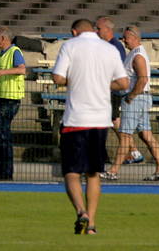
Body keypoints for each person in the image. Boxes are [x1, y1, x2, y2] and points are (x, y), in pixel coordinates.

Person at [52, 19, 128, 235]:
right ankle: (92, 225)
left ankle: (80, 211)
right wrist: (102, 83)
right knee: (93, 173)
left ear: (74, 31)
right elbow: (123, 83)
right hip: (100, 121)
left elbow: (58, 77)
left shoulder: (70, 45)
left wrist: (76, 80)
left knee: (72, 172)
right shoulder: (109, 49)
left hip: (76, 119)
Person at [101, 26, 159, 182]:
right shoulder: (133, 54)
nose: (124, 40)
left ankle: (113, 171)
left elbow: (143, 79)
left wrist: (131, 96)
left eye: (126, 37)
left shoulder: (138, 56)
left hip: (135, 99)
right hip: (140, 98)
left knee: (125, 135)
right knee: (146, 135)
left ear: (134, 37)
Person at [96, 16, 142, 165]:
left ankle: (132, 151)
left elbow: (117, 68)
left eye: (99, 28)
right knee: (114, 120)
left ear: (108, 29)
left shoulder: (114, 46)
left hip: (112, 88)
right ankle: (133, 151)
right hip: (108, 88)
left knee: (114, 120)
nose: (96, 31)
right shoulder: (106, 45)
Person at [0, 26, 26, 181]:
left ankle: (6, 173)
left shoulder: (15, 52)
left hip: (11, 99)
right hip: (0, 97)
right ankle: (0, 173)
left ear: (3, 38)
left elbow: (21, 70)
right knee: (2, 136)